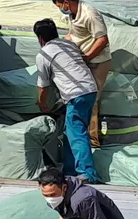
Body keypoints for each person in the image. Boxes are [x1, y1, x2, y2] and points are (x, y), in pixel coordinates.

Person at [33, 18, 99, 183]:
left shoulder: (44, 54)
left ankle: (87, 174)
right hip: (89, 89)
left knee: (77, 133)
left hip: (76, 93)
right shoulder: (69, 45)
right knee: (70, 132)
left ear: (40, 38)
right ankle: (70, 171)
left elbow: (43, 87)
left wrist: (42, 104)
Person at [52, 0, 111, 148]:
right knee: (79, 95)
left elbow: (102, 39)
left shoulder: (89, 14)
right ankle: (78, 136)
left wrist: (87, 57)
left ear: (66, 2)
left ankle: (92, 142)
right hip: (83, 60)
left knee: (91, 99)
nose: (60, 9)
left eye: (60, 6)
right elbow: (75, 34)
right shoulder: (73, 13)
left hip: (97, 61)